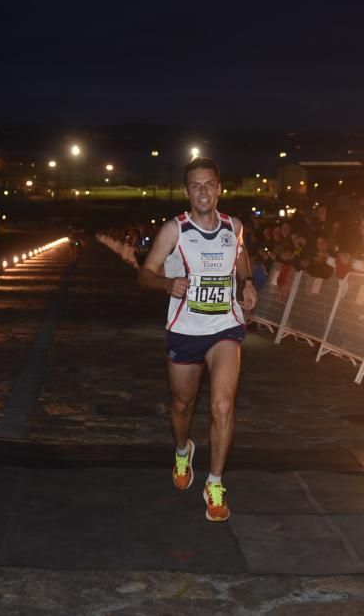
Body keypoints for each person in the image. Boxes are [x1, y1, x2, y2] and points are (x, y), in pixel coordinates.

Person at [138, 157, 257, 522]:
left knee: (222, 406)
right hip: (185, 329)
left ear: (219, 188)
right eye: (195, 186)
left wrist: (248, 282)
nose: (203, 192)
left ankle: (215, 482)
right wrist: (165, 284)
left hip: (225, 327)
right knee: (181, 406)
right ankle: (181, 449)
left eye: (209, 185)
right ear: (186, 191)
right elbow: (145, 274)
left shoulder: (233, 227)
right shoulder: (174, 230)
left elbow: (242, 259)